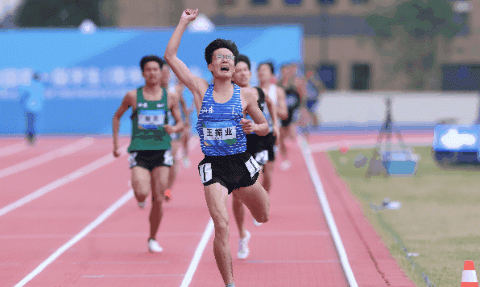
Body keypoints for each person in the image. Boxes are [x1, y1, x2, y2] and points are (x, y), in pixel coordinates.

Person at [165, 9, 270, 287]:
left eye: (229, 58)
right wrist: (183, 22)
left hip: (241, 161)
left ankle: (247, 208)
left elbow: (265, 127)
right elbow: (171, 57)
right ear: (211, 66)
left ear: (234, 67)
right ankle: (230, 284)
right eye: (219, 57)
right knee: (221, 225)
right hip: (214, 166)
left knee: (263, 215)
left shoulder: (246, 94)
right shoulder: (200, 89)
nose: (225, 60)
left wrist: (254, 128)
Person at [112, 55, 184, 253]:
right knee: (143, 192)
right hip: (140, 151)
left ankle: (152, 237)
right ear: (143, 73)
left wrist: (174, 128)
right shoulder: (133, 96)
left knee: (159, 198)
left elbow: (180, 122)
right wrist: (116, 144)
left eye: (156, 69)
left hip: (161, 151)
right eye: (148, 70)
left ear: (161, 73)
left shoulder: (170, 97)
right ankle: (139, 192)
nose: (152, 73)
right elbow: (117, 117)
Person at [231, 54, 279, 259]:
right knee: (237, 194)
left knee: (259, 178)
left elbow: (270, 103)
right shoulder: (227, 95)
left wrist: (274, 123)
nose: (242, 73)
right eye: (237, 70)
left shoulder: (258, 92)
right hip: (237, 147)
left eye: (245, 69)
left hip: (259, 142)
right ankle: (242, 234)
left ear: (250, 73)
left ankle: (258, 204)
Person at [277, 62, 307, 170]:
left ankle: (296, 139)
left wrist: (303, 112)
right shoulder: (278, 84)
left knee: (291, 131)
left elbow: (302, 97)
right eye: (284, 71)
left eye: (288, 70)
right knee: (281, 139)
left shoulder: (296, 84)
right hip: (282, 113)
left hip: (294, 112)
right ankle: (285, 159)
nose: (287, 73)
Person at [18, 72, 45, 145]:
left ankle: (30, 136)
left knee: (29, 123)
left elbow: (21, 93)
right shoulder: (40, 85)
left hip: (29, 107)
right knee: (32, 123)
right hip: (36, 107)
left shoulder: (29, 85)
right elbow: (42, 97)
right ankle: (31, 136)